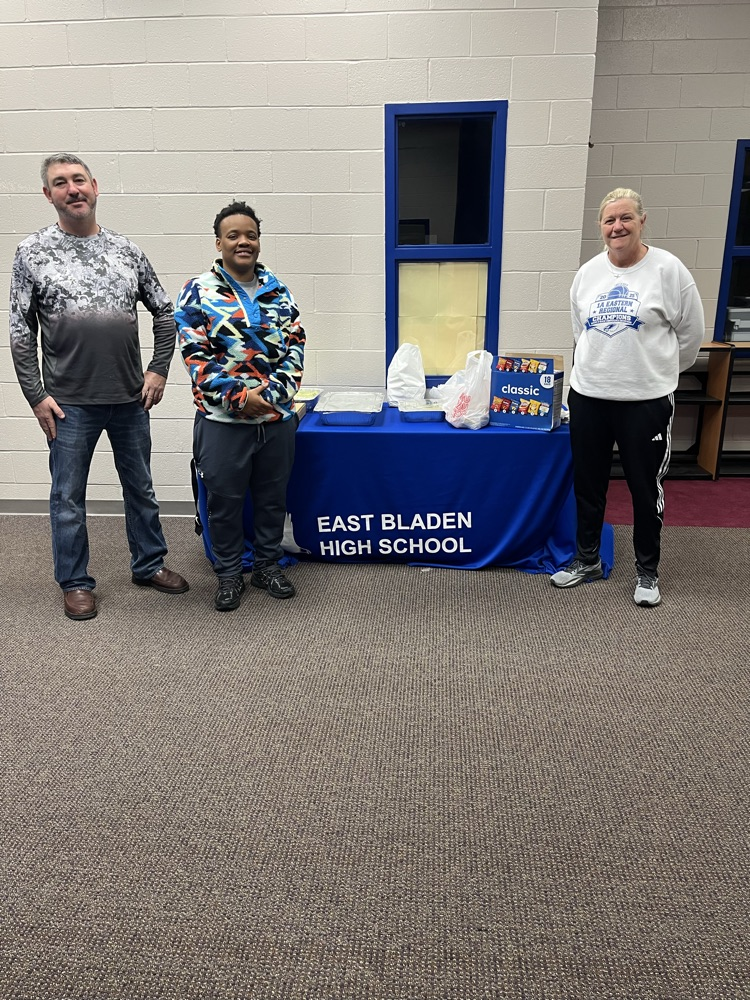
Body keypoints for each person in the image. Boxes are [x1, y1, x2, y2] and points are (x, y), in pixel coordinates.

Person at [9, 153, 189, 621]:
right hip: (68, 403)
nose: (73, 189)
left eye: (79, 180)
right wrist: (35, 395)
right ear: (48, 195)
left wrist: (159, 369)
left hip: (130, 397)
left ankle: (148, 564)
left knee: (141, 488)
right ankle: (75, 582)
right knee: (67, 497)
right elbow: (20, 330)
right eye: (60, 183)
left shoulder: (126, 250)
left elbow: (165, 312)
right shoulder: (32, 252)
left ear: (95, 186)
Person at [551, 187, 705, 607]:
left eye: (625, 218)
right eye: (608, 220)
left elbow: (691, 337)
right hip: (590, 397)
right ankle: (587, 561)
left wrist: (656, 375)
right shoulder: (587, 274)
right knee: (589, 484)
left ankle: (647, 572)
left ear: (641, 221)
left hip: (646, 402)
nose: (616, 226)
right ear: (600, 228)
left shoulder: (669, 272)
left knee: (643, 486)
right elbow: (580, 333)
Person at [175, 201, 305, 612]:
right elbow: (195, 355)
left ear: (259, 242)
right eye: (233, 235)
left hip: (275, 419)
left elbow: (296, 345)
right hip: (222, 421)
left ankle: (267, 565)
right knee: (224, 502)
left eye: (250, 234)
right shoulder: (198, 291)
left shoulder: (279, 290)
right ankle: (230, 574)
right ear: (219, 243)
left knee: (272, 498)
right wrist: (237, 397)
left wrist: (272, 396)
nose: (243, 241)